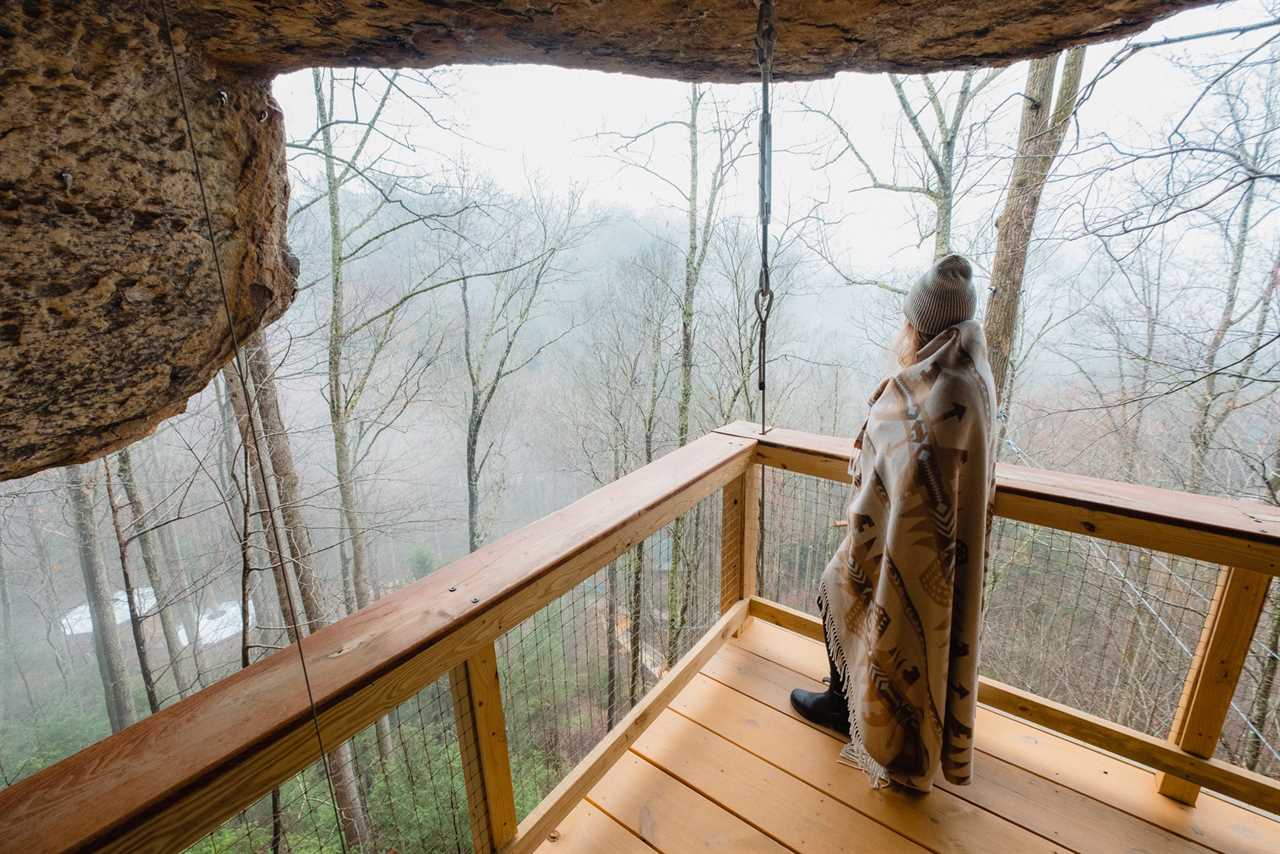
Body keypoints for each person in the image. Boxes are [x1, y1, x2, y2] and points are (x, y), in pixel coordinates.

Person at [790, 254, 997, 792]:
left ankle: (860, 718)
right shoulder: (966, 374)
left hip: (911, 548)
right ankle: (851, 702)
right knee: (871, 612)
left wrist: (868, 516)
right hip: (927, 543)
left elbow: (906, 468)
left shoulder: (940, 389)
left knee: (845, 592)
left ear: (920, 324)